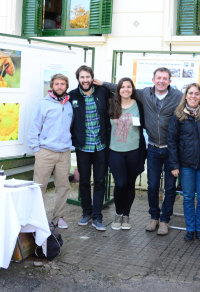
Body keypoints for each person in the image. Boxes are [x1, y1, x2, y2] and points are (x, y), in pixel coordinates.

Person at [96, 67, 183, 236]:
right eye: (158, 78)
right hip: (152, 148)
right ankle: (153, 218)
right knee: (152, 186)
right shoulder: (145, 94)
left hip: (170, 149)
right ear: (153, 80)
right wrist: (103, 83)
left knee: (170, 188)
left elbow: (192, 103)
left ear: (170, 81)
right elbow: (121, 87)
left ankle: (164, 220)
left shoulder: (178, 96)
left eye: (165, 78)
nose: (161, 81)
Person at [167, 83, 200, 241]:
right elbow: (172, 141)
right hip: (186, 164)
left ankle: (199, 229)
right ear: (185, 96)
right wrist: (174, 165)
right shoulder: (178, 115)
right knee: (187, 197)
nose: (193, 96)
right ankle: (190, 229)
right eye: (190, 93)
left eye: (196, 93)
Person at [69, 65, 114, 231]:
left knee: (100, 181)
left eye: (88, 77)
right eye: (82, 77)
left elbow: (120, 95)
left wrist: (104, 83)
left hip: (101, 145)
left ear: (92, 78)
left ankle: (97, 216)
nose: (85, 80)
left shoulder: (102, 92)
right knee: (85, 181)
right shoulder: (72, 96)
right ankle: (86, 213)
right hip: (83, 146)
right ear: (78, 79)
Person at [28, 73, 73, 229]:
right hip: (45, 151)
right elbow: (34, 127)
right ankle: (37, 218)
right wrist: (36, 149)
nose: (60, 87)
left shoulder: (69, 105)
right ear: (52, 86)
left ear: (66, 86)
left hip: (64, 153)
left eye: (62, 84)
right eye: (57, 84)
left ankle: (59, 217)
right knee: (39, 186)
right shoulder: (43, 104)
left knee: (63, 186)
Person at [108, 78, 147, 230]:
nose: (125, 89)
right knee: (120, 184)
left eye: (128, 87)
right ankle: (118, 213)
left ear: (132, 89)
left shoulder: (139, 105)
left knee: (130, 184)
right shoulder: (112, 104)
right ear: (118, 89)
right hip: (115, 151)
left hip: (134, 151)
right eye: (122, 87)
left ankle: (126, 215)